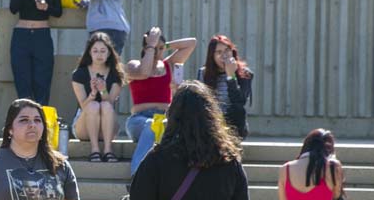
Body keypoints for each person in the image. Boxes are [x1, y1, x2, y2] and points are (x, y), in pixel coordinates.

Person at [124, 27, 197, 175]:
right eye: (152, 48)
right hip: (140, 119)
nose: (157, 52)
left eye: (161, 49)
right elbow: (144, 73)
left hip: (165, 118)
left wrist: (164, 45)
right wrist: (151, 44)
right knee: (151, 125)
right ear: (145, 47)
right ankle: (137, 174)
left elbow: (191, 43)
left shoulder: (168, 65)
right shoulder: (133, 66)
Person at [9, 0, 63, 105]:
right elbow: (13, 8)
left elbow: (58, 12)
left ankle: (42, 122)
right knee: (22, 81)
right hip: (22, 35)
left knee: (43, 81)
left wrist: (46, 6)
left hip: (42, 36)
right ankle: (23, 119)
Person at [70, 32, 126, 163]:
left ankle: (108, 150)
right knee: (93, 105)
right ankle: (94, 150)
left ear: (109, 53)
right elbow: (83, 106)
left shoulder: (116, 74)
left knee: (105, 105)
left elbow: (110, 103)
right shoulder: (79, 74)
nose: (99, 55)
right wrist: (93, 94)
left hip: (107, 126)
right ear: (89, 53)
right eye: (95, 51)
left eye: (102, 51)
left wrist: (103, 90)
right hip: (84, 126)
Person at [198, 35, 254, 139]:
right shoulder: (204, 73)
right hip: (212, 122)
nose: (224, 56)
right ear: (212, 56)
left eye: (227, 51)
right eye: (219, 52)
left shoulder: (245, 73)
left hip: (233, 124)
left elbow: (239, 102)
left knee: (238, 110)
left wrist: (231, 76)